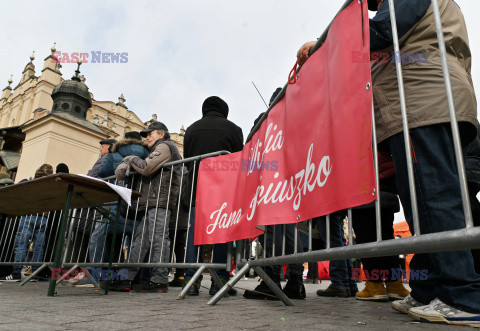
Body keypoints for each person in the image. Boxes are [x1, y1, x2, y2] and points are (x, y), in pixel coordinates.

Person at [297, 0, 480, 326]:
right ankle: (430, 290)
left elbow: (380, 32)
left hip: (420, 100)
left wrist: (321, 46)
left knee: (433, 196)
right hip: (423, 98)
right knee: (421, 203)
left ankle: (461, 295)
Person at [243, 89, 306, 300]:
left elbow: (250, 144)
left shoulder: (266, 120)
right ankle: (296, 282)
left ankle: (271, 281)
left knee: (275, 232)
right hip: (294, 183)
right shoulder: (299, 117)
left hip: (275, 184)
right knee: (292, 234)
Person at [183, 96, 243, 296]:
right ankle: (220, 281)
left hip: (196, 190)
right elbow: (238, 160)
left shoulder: (191, 129)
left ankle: (192, 280)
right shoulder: (234, 129)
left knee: (195, 235)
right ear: (224, 110)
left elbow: (187, 159)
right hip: (222, 190)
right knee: (221, 234)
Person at [112, 121, 182, 292]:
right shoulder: (158, 149)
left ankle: (159, 280)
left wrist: (129, 159)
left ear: (161, 134)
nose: (147, 137)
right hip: (153, 201)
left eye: (151, 133)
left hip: (160, 201)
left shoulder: (166, 146)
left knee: (159, 238)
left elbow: (147, 168)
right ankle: (126, 278)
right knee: (141, 239)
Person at [0, 164, 53, 282]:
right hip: (43, 217)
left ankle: (16, 273)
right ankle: (36, 273)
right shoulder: (50, 187)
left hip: (29, 215)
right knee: (39, 247)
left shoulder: (30, 184)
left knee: (21, 245)